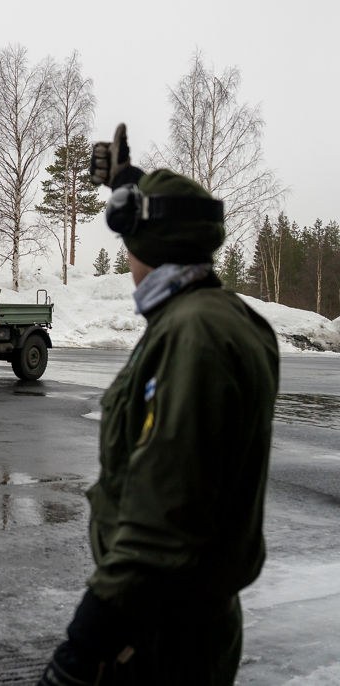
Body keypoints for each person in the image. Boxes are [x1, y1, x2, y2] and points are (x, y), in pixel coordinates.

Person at [39, 125, 278, 685]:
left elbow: (162, 519)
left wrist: (83, 644)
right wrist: (130, 183)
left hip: (160, 632)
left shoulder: (194, 335)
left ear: (149, 247)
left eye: (130, 238)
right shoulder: (223, 318)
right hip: (178, 619)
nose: (125, 255)